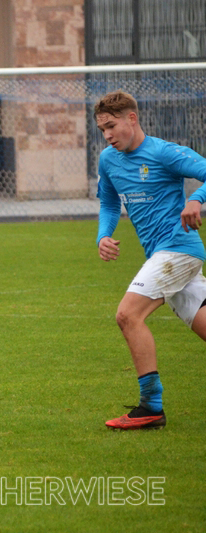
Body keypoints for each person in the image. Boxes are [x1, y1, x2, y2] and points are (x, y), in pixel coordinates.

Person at [95, 90, 206, 430]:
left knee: (128, 315)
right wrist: (103, 235)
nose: (107, 135)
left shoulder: (163, 152)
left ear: (132, 118)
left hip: (178, 248)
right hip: (163, 255)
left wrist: (196, 199)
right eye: (102, 129)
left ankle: (151, 406)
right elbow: (109, 202)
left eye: (111, 126)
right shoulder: (108, 160)